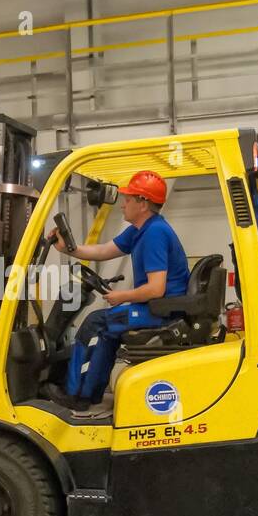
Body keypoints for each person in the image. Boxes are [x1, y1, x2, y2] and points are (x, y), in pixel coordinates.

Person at [43, 170, 189, 412]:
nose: (123, 205)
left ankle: (77, 395)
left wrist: (121, 297)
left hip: (162, 310)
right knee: (107, 328)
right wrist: (68, 249)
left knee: (95, 323)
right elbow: (103, 251)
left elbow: (156, 288)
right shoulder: (141, 229)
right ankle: (91, 393)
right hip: (157, 306)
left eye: (128, 199)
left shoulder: (154, 233)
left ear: (143, 203)